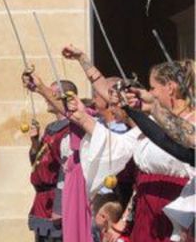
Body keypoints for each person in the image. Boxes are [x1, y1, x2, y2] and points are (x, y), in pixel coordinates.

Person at [67, 60, 194, 242]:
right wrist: (82, 116)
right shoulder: (152, 124)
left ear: (170, 88)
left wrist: (144, 108)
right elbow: (118, 143)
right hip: (146, 208)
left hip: (176, 204)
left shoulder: (190, 122)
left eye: (152, 88)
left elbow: (172, 145)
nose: (150, 93)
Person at [27, 81, 73, 242]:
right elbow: (38, 163)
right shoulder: (51, 128)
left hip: (55, 198)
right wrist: (34, 142)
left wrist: (59, 206)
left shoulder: (69, 129)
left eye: (51, 94)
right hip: (42, 199)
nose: (47, 98)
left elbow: (66, 169)